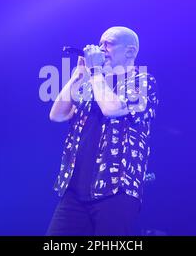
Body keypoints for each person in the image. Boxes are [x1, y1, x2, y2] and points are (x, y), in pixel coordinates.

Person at [47, 26, 158, 236]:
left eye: (108, 43)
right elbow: (57, 115)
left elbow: (112, 109)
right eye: (99, 44)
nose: (101, 49)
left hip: (116, 189)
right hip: (75, 190)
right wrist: (78, 76)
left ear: (130, 51)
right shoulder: (92, 84)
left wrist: (96, 73)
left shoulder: (143, 81)